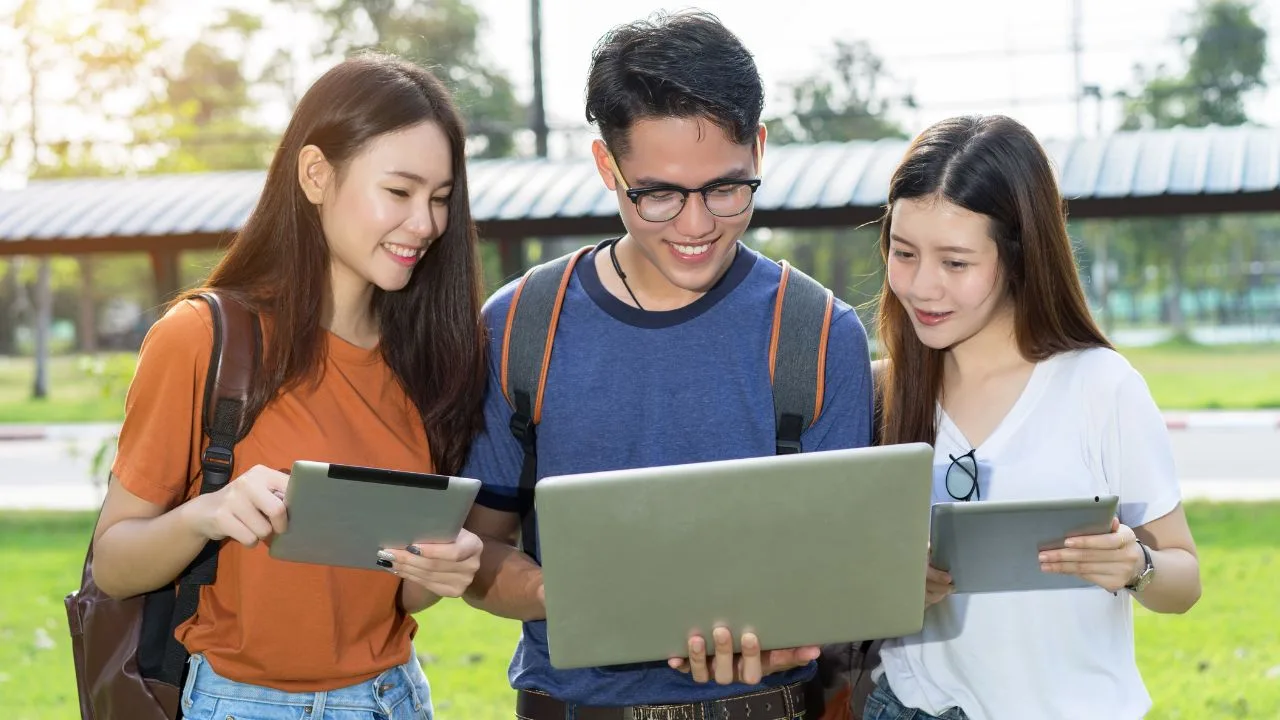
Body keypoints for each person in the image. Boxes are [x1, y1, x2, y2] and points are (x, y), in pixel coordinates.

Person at [460, 10, 875, 720]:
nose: (695, 225)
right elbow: (478, 555)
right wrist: (576, 595)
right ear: (605, 167)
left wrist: (789, 637)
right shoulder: (520, 325)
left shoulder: (817, 333)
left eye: (726, 188)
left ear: (760, 149)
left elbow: (844, 577)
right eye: (657, 194)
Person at [90, 53, 489, 720]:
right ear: (315, 175)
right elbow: (115, 564)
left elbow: (392, 594)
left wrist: (440, 570)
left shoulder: (433, 356)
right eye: (399, 192)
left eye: (441, 199)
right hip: (243, 703)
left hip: (396, 697)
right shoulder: (201, 338)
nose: (425, 224)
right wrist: (205, 515)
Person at [865, 115, 1202, 720]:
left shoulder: (1101, 387)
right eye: (904, 253)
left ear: (1018, 256)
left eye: (956, 263)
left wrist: (1136, 565)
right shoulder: (883, 389)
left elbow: (1185, 581)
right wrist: (890, 584)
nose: (921, 286)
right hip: (907, 705)